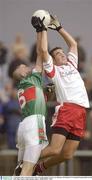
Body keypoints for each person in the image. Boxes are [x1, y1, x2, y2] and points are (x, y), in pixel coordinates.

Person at [31, 15, 90, 175]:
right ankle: (24, 161)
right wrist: (42, 30)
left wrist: (59, 28)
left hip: (81, 112)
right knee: (54, 149)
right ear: (54, 60)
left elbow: (73, 44)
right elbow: (43, 51)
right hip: (67, 110)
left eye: (62, 52)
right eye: (58, 54)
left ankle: (39, 168)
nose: (62, 54)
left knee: (67, 154)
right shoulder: (54, 71)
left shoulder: (72, 64)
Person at [13, 32, 48, 176]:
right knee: (27, 170)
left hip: (23, 126)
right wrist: (40, 31)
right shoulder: (31, 79)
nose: (25, 65)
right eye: (22, 66)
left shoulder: (24, 85)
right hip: (34, 122)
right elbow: (40, 53)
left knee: (21, 169)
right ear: (22, 74)